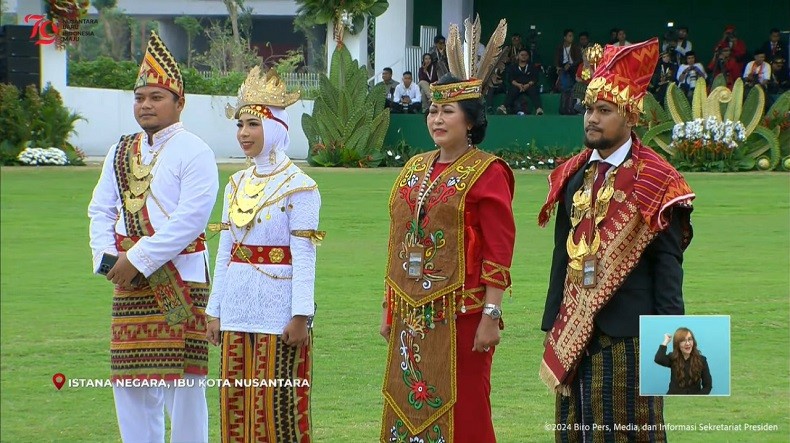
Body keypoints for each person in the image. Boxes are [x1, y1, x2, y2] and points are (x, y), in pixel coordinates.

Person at [538, 38, 695, 442]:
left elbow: (668, 264)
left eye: (604, 111)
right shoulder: (571, 173)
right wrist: (554, 321)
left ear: (630, 117)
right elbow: (562, 254)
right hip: (575, 332)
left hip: (633, 335)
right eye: (589, 109)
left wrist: (671, 335)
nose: (591, 118)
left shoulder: (658, 178)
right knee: (575, 433)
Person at [380, 17, 515, 443]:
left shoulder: (488, 173)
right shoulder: (414, 167)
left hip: (462, 314)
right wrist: (390, 307)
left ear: (471, 120)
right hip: (411, 312)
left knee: (466, 404)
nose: (437, 119)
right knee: (406, 398)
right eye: (432, 111)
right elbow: (399, 240)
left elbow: (498, 249)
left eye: (447, 111)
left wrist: (491, 315)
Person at [87, 31, 218, 442]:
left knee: (183, 386)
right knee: (129, 382)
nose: (145, 104)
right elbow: (100, 209)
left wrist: (136, 260)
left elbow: (189, 221)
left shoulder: (195, 150)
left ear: (179, 102)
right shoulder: (120, 151)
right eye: (140, 96)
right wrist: (108, 259)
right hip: (127, 279)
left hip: (182, 279)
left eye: (156, 97)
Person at [205, 67, 322, 442]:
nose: (243, 133)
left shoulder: (301, 187)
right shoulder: (235, 183)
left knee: (277, 411)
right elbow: (225, 250)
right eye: (240, 125)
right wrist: (214, 309)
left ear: (275, 127)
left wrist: (301, 314)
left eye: (252, 124)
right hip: (237, 308)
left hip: (279, 312)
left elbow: (304, 255)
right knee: (235, 408)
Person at [654, 328, 713, 395]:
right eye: (683, 340)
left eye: (690, 339)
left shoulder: (702, 360)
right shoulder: (673, 358)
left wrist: (695, 399)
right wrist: (666, 341)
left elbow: (708, 386)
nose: (687, 343)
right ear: (677, 344)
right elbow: (658, 359)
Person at [502, 48, 543, 115]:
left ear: (528, 57)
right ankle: (503, 107)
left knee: (534, 90)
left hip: (529, 85)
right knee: (512, 90)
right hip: (517, 85)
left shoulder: (532, 66)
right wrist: (518, 85)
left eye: (526, 55)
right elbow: (510, 79)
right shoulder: (513, 67)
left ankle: (538, 109)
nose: (524, 56)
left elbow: (535, 79)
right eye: (522, 55)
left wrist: (528, 85)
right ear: (518, 56)